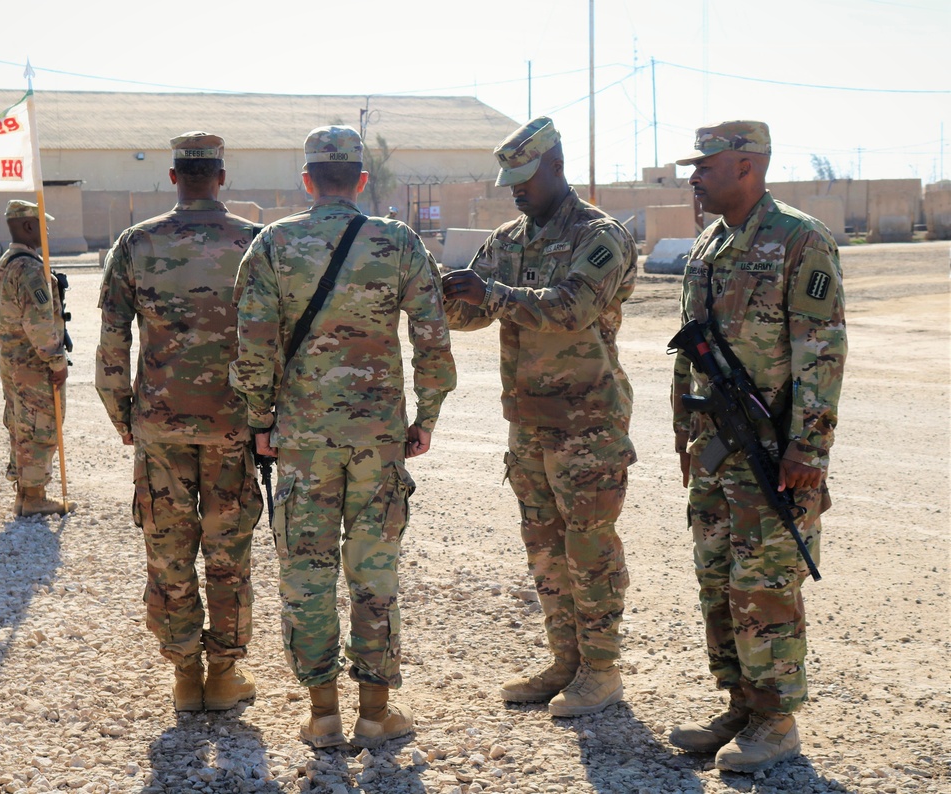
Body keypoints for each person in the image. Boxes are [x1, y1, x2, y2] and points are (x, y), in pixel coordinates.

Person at [230, 125, 456, 749]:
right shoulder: (398, 241)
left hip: (301, 442)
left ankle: (323, 714)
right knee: (374, 573)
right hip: (379, 441)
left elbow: (252, 345)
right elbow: (432, 338)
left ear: (307, 181)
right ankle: (376, 713)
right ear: (360, 180)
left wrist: (259, 421)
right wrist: (426, 417)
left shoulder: (273, 244)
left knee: (306, 573)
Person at [441, 116, 637, 718]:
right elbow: (467, 317)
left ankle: (601, 671)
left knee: (589, 545)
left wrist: (491, 295)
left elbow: (573, 308)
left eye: (526, 177)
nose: (516, 189)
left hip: (588, 422)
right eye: (510, 180)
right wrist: (444, 292)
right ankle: (565, 662)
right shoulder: (509, 239)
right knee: (545, 546)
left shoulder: (599, 236)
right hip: (528, 419)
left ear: (556, 164)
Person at [667, 120, 847, 773]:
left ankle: (777, 723)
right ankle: (742, 704)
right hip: (715, 451)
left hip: (774, 454)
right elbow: (687, 348)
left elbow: (822, 355)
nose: (694, 178)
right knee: (717, 578)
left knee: (765, 583)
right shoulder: (708, 245)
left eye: (706, 166)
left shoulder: (800, 241)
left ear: (747, 166)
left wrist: (809, 450)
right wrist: (685, 434)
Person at [96, 131, 262, 713]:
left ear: (174, 177)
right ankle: (223, 675)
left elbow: (113, 342)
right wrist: (266, 417)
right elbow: (276, 339)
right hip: (232, 428)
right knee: (227, 551)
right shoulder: (253, 242)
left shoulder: (137, 244)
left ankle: (184, 675)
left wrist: (123, 414)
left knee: (168, 550)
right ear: (221, 175)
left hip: (160, 427)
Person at [0, 199, 73, 517]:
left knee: (19, 423)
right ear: (27, 226)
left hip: (11, 358)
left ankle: (25, 493)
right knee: (40, 425)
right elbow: (39, 324)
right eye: (42, 225)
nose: (47, 231)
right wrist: (56, 361)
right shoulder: (31, 269)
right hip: (33, 363)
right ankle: (35, 497)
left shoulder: (3, 265)